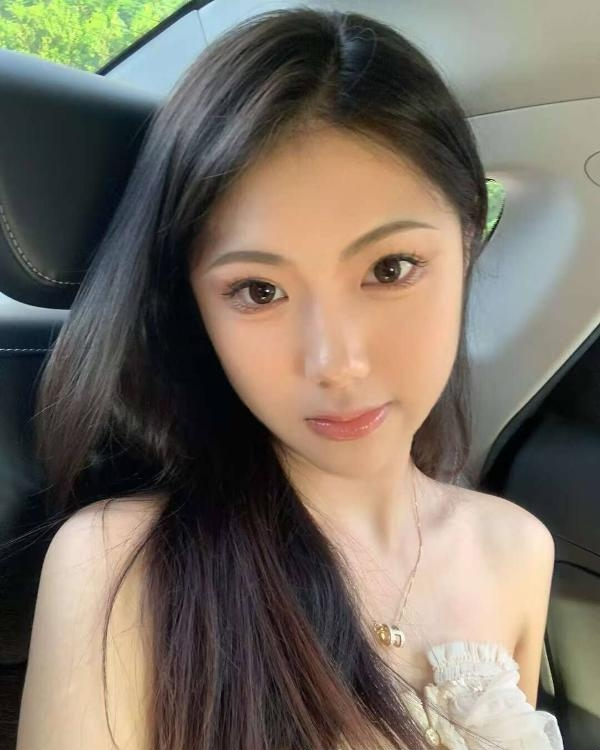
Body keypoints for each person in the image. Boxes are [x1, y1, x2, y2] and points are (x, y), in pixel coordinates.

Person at [15, 5, 564, 750]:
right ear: (194, 304)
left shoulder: (518, 549)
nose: (336, 363)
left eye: (390, 269)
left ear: (469, 239)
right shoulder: (121, 569)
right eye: (259, 290)